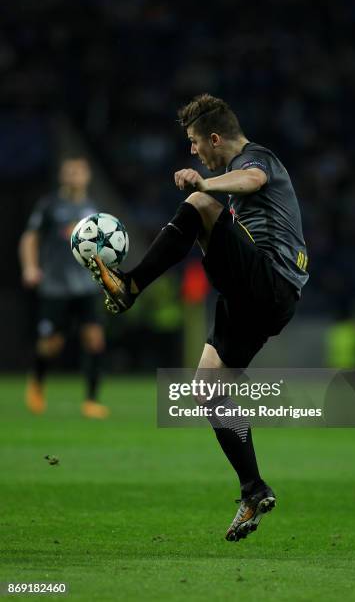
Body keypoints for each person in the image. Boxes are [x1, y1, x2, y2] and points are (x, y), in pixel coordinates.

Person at [87, 94, 309, 539]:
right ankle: (253, 490)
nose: (194, 152)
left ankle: (130, 286)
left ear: (213, 138)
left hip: (271, 277)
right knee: (207, 388)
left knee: (201, 206)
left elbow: (249, 179)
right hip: (253, 299)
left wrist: (206, 185)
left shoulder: (257, 158)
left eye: (194, 142)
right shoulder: (231, 177)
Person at [19, 157, 109, 419]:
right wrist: (30, 267)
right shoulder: (49, 206)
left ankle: (91, 401)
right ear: (62, 176)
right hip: (55, 287)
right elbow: (30, 237)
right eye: (69, 172)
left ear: (87, 176)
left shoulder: (93, 209)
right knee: (51, 344)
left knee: (94, 339)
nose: (73, 176)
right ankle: (36, 382)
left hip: (86, 285)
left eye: (78, 172)